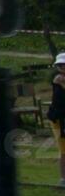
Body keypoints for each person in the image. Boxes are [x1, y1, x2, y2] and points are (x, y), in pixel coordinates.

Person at [41, 29, 65, 187]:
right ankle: (63, 179)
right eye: (60, 65)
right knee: (64, 151)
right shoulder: (59, 79)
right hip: (59, 119)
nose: (62, 67)